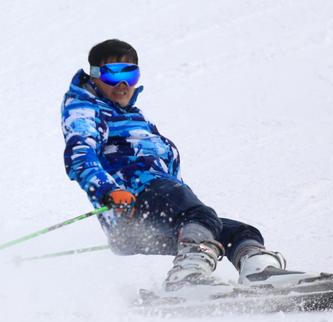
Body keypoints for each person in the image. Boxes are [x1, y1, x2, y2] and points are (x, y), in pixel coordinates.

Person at [60, 39, 286, 291]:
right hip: (133, 201)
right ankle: (186, 279)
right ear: (95, 75)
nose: (123, 84)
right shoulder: (84, 108)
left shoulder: (134, 115)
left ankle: (261, 273)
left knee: (239, 232)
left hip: (145, 219)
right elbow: (80, 155)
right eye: (113, 75)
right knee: (200, 216)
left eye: (130, 74)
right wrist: (108, 191)